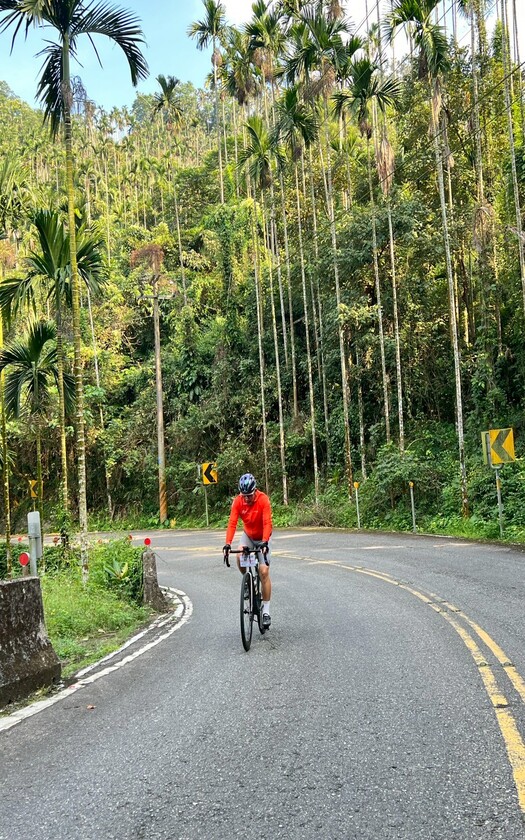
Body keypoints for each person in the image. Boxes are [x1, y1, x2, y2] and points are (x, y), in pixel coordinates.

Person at [223, 473, 273, 628]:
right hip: (248, 536)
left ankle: (266, 611)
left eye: (249, 496)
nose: (247, 499)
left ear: (255, 491)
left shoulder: (263, 499)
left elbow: (267, 522)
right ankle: (247, 582)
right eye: (244, 496)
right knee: (239, 555)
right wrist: (227, 544)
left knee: (263, 572)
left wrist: (264, 542)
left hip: (263, 538)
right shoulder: (238, 502)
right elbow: (232, 523)